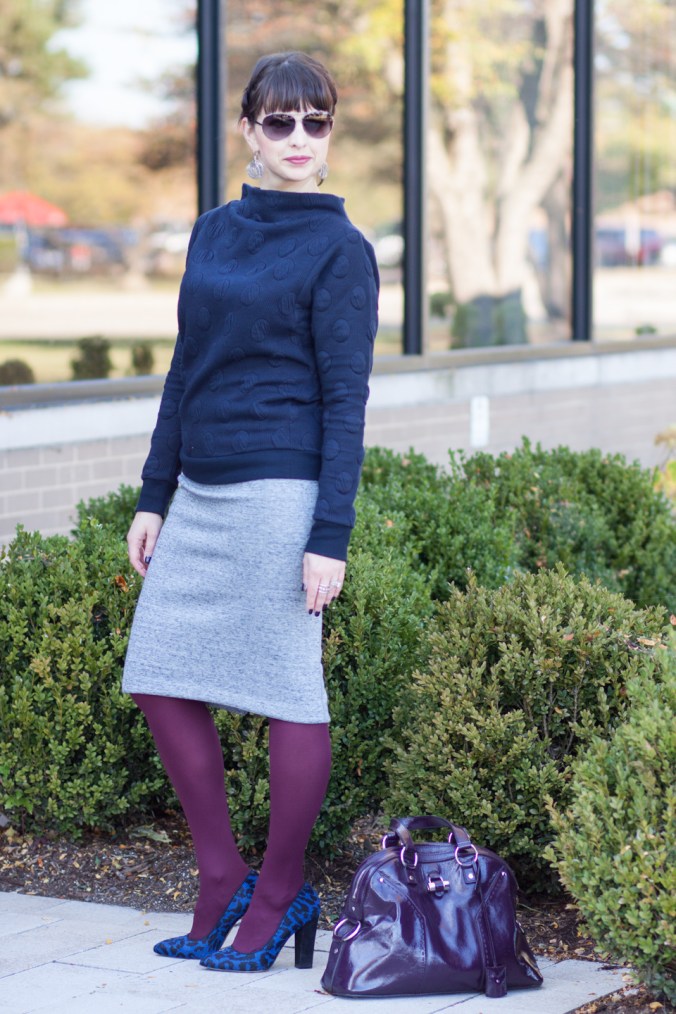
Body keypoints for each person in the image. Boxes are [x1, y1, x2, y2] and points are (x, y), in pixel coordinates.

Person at [122, 51, 379, 974]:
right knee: (157, 672)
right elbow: (184, 369)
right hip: (199, 490)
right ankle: (220, 872)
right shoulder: (213, 232)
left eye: (317, 121)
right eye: (281, 121)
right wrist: (155, 493)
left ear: (330, 132)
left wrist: (328, 535)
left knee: (287, 689)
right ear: (248, 130)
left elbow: (346, 401)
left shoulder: (341, 249)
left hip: (281, 494)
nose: (299, 138)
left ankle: (279, 891)